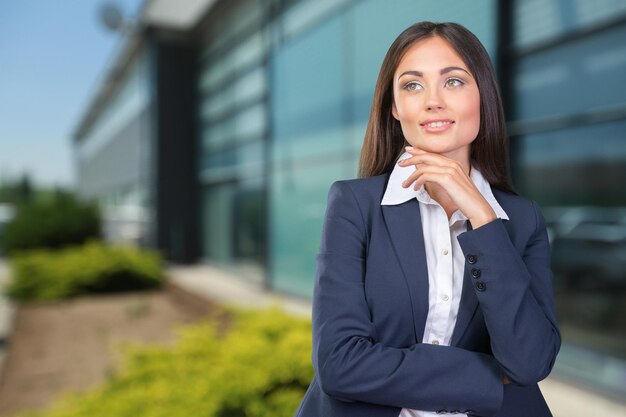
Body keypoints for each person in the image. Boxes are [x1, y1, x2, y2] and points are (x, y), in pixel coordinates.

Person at [294, 21, 561, 417]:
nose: (433, 101)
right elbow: (340, 364)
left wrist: (483, 219)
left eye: (453, 81)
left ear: (482, 96)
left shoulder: (521, 221)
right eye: (413, 85)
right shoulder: (354, 205)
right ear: (395, 107)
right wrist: (492, 378)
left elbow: (530, 362)